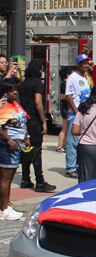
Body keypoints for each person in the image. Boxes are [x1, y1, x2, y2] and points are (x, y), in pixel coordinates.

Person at [18, 60, 56, 193]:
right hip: (34, 119)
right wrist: (44, 121)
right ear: (38, 70)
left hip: (23, 119)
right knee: (36, 150)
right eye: (41, 69)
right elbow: (38, 103)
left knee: (27, 149)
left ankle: (25, 178)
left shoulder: (23, 84)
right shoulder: (37, 83)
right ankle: (40, 181)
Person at [0, 79, 29, 220]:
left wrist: (26, 136)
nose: (15, 92)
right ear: (4, 92)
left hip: (17, 145)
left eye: (15, 89)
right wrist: (9, 140)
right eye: (11, 90)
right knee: (5, 178)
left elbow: (21, 122)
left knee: (9, 178)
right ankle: (4, 209)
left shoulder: (15, 105)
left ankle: (5, 205)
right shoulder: (3, 105)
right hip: (7, 146)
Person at [65, 54, 92, 179]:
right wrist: (77, 113)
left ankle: (77, 166)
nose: (86, 65)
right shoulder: (72, 77)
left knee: (81, 142)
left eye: (87, 62)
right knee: (72, 142)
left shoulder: (85, 78)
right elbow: (69, 97)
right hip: (75, 115)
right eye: (84, 63)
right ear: (78, 64)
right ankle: (70, 168)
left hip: (84, 114)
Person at [56, 67, 73, 153]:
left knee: (67, 128)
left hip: (66, 108)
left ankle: (64, 145)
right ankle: (59, 146)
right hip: (65, 108)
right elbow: (62, 96)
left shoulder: (66, 83)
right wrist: (70, 97)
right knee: (64, 128)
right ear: (67, 75)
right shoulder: (64, 84)